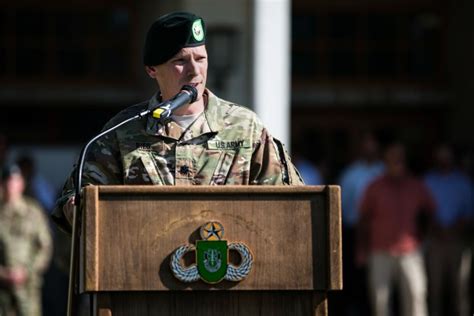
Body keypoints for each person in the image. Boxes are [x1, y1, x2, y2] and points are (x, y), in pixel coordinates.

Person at [52, 11, 303, 232]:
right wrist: (78, 209)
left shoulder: (245, 128)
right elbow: (73, 205)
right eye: (180, 61)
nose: (195, 72)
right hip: (142, 275)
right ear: (152, 70)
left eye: (201, 58)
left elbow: (292, 204)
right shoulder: (124, 130)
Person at [357, 142, 435, 316]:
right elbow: (363, 219)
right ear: (385, 162)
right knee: (380, 301)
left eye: (400, 159)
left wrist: (425, 240)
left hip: (410, 251)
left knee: (416, 296)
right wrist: (362, 249)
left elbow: (430, 212)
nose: (396, 163)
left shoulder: (416, 186)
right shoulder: (374, 186)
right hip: (379, 251)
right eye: (392, 159)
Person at [424, 144, 473, 316]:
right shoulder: (428, 180)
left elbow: (470, 212)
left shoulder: (463, 182)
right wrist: (435, 227)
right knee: (434, 287)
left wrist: (454, 229)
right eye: (440, 157)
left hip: (457, 240)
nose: (443, 161)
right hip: (435, 240)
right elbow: (422, 211)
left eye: (446, 157)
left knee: (460, 287)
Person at [0, 164, 53, 316]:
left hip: (28, 286)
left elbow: (45, 246)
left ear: (22, 184)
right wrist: (3, 273)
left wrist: (27, 271)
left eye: (15, 181)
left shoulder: (33, 211)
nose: (11, 185)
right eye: (7, 181)